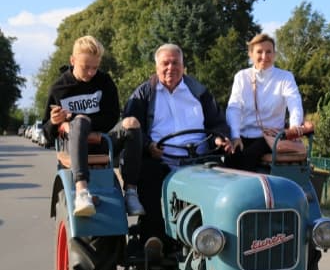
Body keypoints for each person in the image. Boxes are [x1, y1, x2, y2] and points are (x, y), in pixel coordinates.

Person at [123, 44, 232, 255]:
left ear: (183, 66)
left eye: (175, 63)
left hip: (200, 160)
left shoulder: (199, 92)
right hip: (161, 159)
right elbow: (132, 129)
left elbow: (217, 122)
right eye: (165, 63)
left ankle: (213, 242)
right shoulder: (144, 94)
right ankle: (154, 240)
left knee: (222, 185)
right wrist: (148, 145)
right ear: (156, 66)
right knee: (149, 176)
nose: (170, 68)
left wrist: (220, 138)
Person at [43, 35, 144, 218]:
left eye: (95, 68)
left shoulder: (105, 82)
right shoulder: (58, 89)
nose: (91, 72)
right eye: (85, 67)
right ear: (73, 61)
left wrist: (78, 117)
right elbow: (47, 135)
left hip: (103, 142)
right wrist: (54, 122)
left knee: (132, 123)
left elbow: (112, 118)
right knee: (80, 121)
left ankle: (130, 191)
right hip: (72, 146)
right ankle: (82, 191)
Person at [225, 33, 309, 171]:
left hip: (271, 138)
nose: (264, 56)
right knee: (227, 156)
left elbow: (294, 102)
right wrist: (235, 136)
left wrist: (294, 126)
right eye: (259, 52)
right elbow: (234, 107)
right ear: (250, 54)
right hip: (244, 135)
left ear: (274, 54)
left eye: (269, 52)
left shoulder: (285, 77)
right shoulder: (241, 77)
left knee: (247, 157)